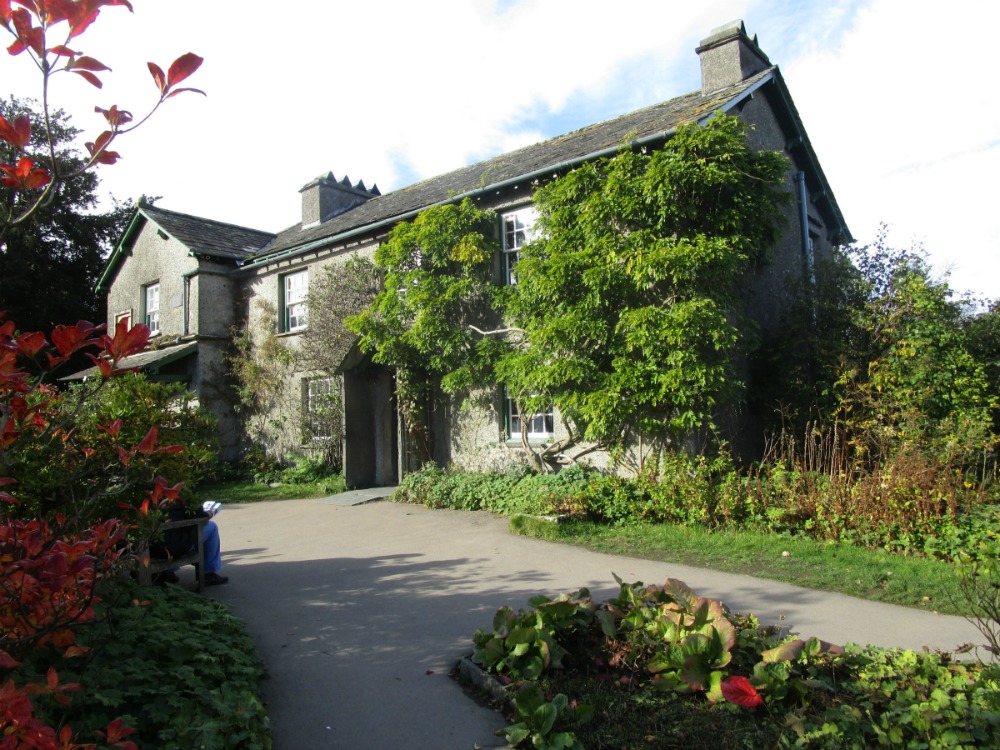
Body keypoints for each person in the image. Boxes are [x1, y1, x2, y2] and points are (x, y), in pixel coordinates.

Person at [153, 499, 229, 586]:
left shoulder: (145, 497)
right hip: (175, 548)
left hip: (151, 548)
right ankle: (208, 573)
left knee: (169, 537)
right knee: (211, 526)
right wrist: (210, 513)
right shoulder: (184, 497)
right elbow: (202, 517)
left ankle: (169, 572)